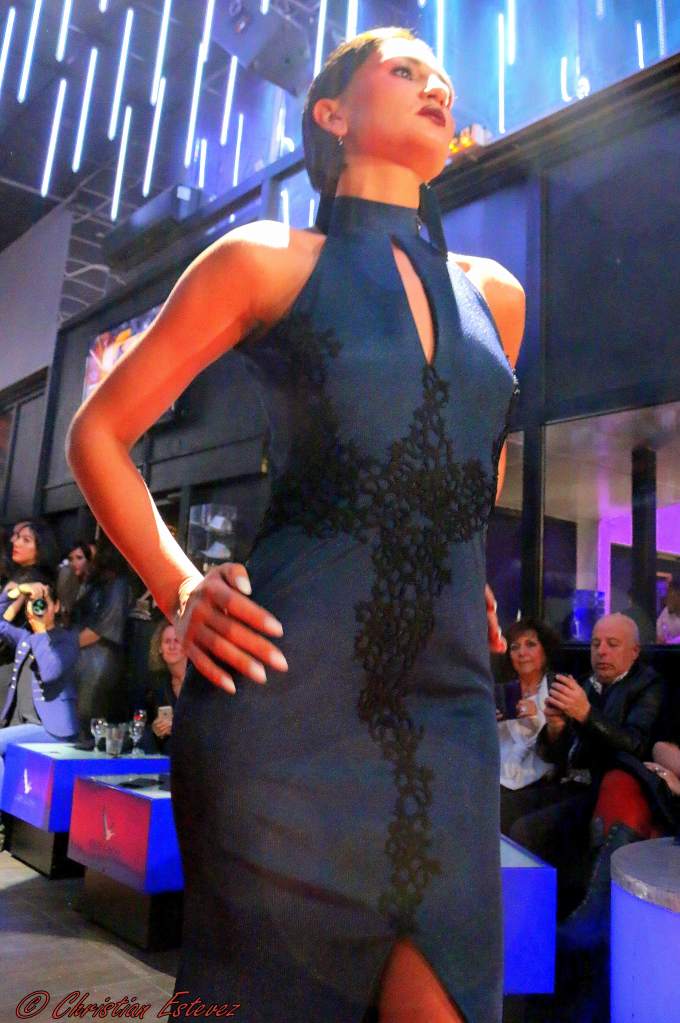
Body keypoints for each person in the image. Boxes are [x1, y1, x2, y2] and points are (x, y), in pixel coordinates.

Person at [67, 27, 524, 1023]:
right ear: (331, 112)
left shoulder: (498, 297)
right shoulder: (263, 260)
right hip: (282, 706)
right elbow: (98, 432)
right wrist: (180, 586)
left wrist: (459, 570)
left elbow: (472, 459)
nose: (436, 86)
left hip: (448, 717)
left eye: (443, 78)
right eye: (404, 69)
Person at [510, 613, 665, 918]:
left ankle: (534, 919)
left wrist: (585, 714)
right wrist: (555, 728)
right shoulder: (587, 684)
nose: (601, 651)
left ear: (634, 651)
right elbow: (558, 755)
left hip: (601, 788)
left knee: (526, 830)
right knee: (500, 810)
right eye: (595, 644)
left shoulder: (648, 686)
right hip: (570, 783)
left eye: (612, 644)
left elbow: (636, 745)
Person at [0, 581, 79, 848]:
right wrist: (14, 594)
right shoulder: (26, 637)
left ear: (56, 607)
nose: (38, 607)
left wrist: (41, 631)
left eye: (43, 602)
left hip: (52, 728)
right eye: (35, 603)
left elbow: (50, 672)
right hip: (22, 723)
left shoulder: (67, 640)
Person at [497, 618, 561, 834]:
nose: (521, 653)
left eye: (530, 644)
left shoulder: (557, 688)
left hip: (539, 779)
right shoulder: (501, 691)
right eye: (515, 647)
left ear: (545, 651)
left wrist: (536, 718)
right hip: (497, 775)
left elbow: (560, 745)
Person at [70, 536, 131, 742]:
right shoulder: (96, 584)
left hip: (100, 662)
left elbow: (102, 628)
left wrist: (66, 647)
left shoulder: (117, 585)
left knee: (90, 718)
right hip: (88, 659)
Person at [656, 578, 680, 643]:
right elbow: (658, 630)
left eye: (669, 592)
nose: (666, 596)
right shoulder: (666, 611)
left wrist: (668, 642)